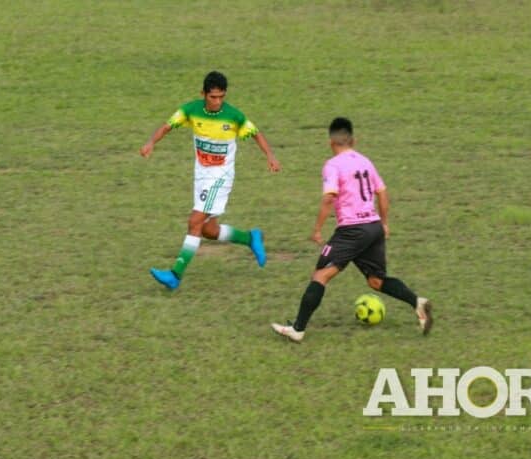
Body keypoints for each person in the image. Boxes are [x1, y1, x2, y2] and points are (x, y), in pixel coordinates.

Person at [272, 117, 432, 342]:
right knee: (376, 280)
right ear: (353, 139)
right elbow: (383, 193)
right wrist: (384, 223)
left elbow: (329, 198)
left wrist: (317, 229)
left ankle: (298, 329)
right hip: (373, 227)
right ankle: (418, 303)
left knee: (320, 275)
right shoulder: (366, 162)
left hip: (351, 231)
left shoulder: (333, 165)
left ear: (331, 142)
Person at [140, 71, 281, 290]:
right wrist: (151, 142)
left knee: (194, 221)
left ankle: (175, 275)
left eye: (221, 97)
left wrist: (270, 155)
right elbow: (168, 126)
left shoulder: (233, 115)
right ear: (203, 94)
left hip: (220, 177)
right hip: (201, 175)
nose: (217, 102)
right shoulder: (190, 110)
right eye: (212, 97)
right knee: (209, 230)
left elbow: (256, 133)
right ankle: (250, 238)